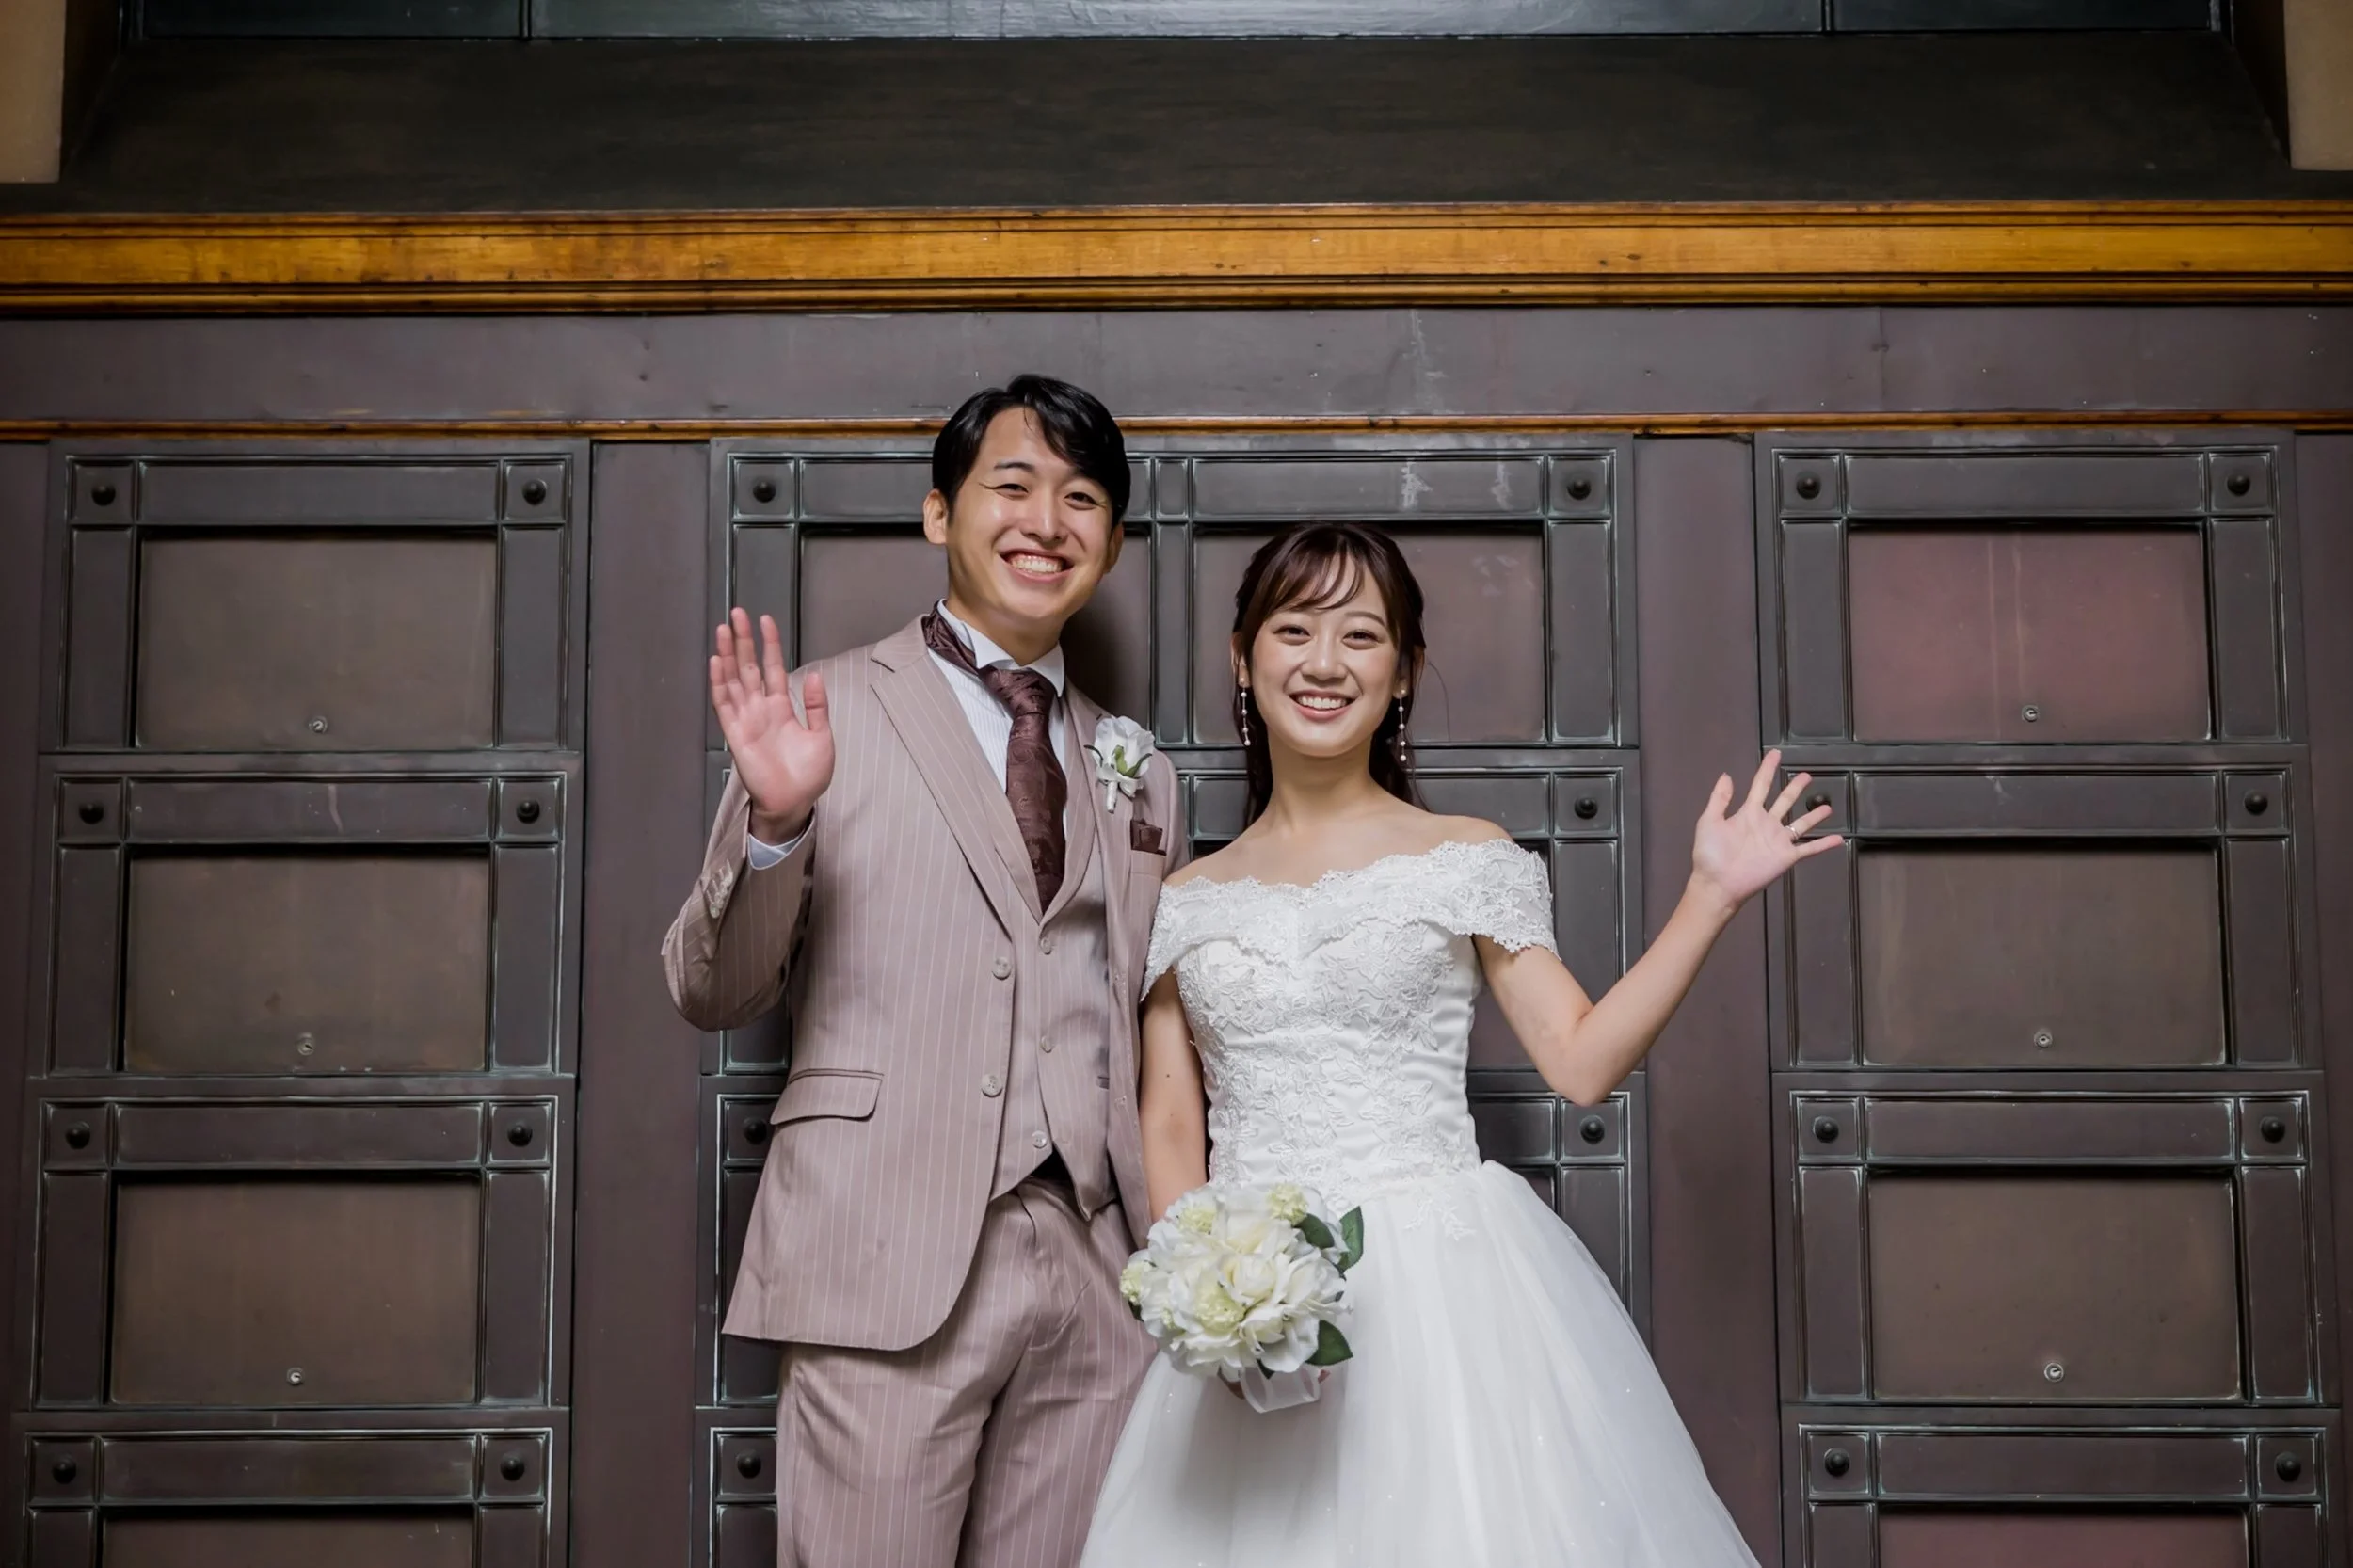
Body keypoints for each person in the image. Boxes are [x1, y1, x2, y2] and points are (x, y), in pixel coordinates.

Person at [1080, 521, 1841, 1567]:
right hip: (1250, 1302)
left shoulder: (1464, 859)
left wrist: (1707, 898)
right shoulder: (1183, 899)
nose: (1323, 663)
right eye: (1293, 629)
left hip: (1444, 1289)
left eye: (1360, 635)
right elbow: (1171, 1119)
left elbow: (1579, 1061)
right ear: (1241, 659)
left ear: (1404, 671)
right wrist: (1205, 1298)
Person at [663, 375, 1181, 1568]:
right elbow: (712, 989)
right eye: (1012, 485)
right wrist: (776, 825)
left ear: (1108, 542)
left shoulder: (1136, 767)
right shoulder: (821, 709)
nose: (1046, 520)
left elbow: (1150, 1022)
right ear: (939, 514)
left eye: (1083, 498)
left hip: (1094, 1270)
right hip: (882, 1254)